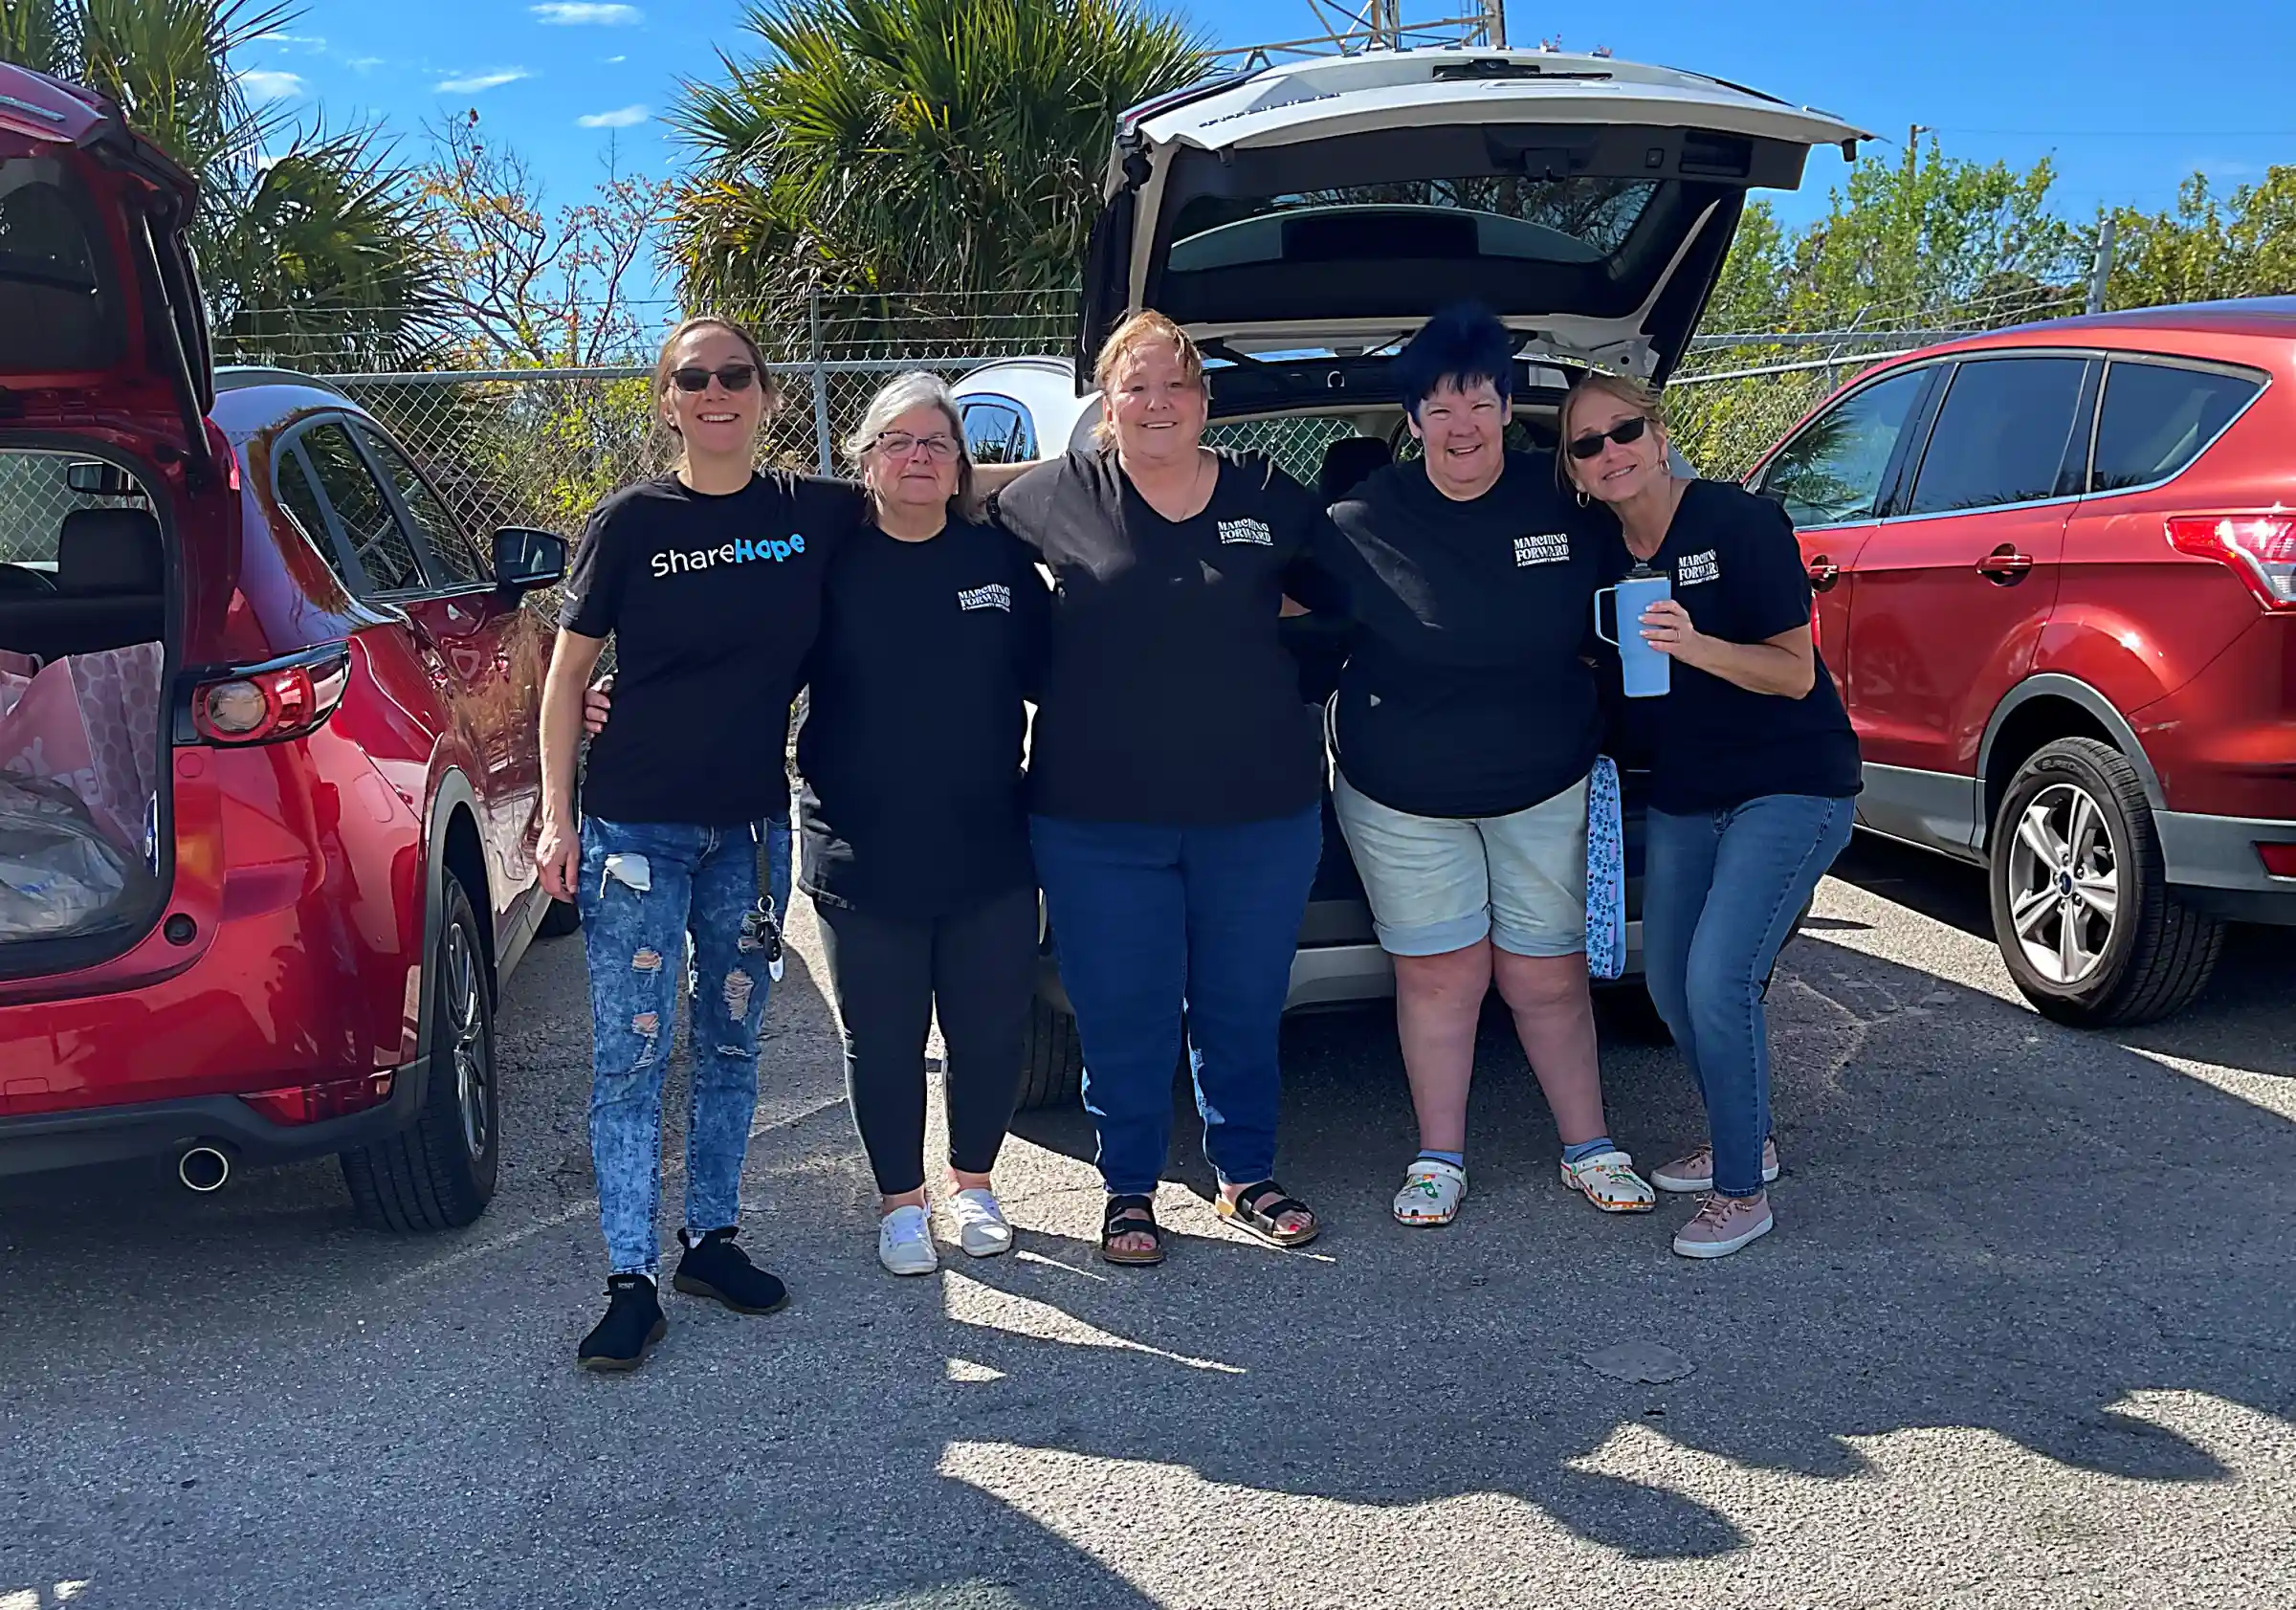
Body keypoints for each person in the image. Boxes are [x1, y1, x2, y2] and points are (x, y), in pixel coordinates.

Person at [584, 373, 1049, 1280]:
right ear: (866, 462)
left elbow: (1059, 672)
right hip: (859, 840)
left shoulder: (997, 564)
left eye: (937, 443)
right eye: (898, 442)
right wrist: (624, 702)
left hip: (989, 836)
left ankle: (976, 1184)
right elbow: (733, 661)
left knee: (991, 1027)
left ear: (961, 465)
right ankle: (900, 1203)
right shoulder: (826, 557)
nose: (919, 458)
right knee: (882, 1034)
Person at [537, 315, 861, 1370]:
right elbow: (565, 682)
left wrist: (1125, 441)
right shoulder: (630, 521)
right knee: (631, 1057)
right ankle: (630, 1278)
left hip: (752, 834)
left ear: (767, 393)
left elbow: (937, 483)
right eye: (693, 378)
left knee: (730, 1040)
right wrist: (556, 816)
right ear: (667, 401)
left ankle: (710, 1240)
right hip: (637, 830)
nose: (716, 392)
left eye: (736, 375)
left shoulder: (813, 513)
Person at [1297, 303, 1656, 1229]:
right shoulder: (1356, 517)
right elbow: (1290, 630)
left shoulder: (1565, 500)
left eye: (1482, 403)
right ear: (1413, 419)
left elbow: (1651, 558)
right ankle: (1438, 1159)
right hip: (1402, 798)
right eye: (1442, 408)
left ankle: (1591, 1147)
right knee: (1439, 975)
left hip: (1546, 783)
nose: (1463, 427)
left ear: (1506, 409)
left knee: (1548, 973)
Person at [986, 311, 1327, 1267]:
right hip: (1097, 817)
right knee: (1122, 1008)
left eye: (1177, 384)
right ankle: (1128, 1189)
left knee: (1242, 1002)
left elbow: (1349, 592)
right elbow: (962, 554)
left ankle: (1244, 1175)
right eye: (1136, 385)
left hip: (1259, 809)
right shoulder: (1054, 496)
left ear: (1205, 402)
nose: (1158, 403)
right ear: (1106, 404)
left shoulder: (1266, 492)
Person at [1557, 370, 1862, 1260]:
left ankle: (1742, 1189)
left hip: (1790, 783)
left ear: (1658, 435)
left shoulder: (1737, 521)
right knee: (1665, 984)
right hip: (1688, 787)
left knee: (1718, 979)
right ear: (1576, 471)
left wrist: (1694, 645)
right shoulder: (1604, 553)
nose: (1610, 452)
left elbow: (1794, 673)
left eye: (1624, 432)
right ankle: (1745, 1133)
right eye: (1587, 444)